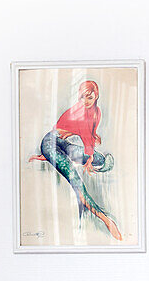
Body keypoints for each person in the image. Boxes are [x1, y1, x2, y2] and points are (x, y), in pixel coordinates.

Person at [30, 80, 121, 240]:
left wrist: (92, 155)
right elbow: (84, 134)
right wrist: (88, 156)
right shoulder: (79, 111)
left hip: (62, 143)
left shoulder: (96, 112)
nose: (85, 102)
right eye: (82, 98)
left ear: (96, 95)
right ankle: (107, 221)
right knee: (77, 182)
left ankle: (98, 164)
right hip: (50, 142)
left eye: (89, 98)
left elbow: (89, 131)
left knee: (99, 158)